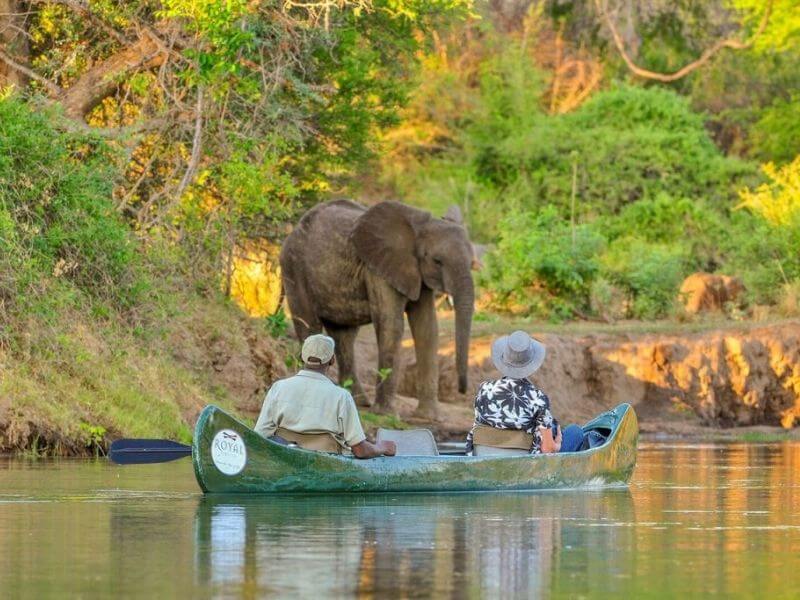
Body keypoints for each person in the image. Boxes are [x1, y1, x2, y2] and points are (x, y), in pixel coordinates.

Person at [255, 334, 396, 458]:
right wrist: (381, 447)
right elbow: (360, 450)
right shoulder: (342, 397)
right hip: (326, 465)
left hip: (286, 460)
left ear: (301, 357)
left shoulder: (278, 388)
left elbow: (259, 436)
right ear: (332, 360)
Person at [465, 330, 585, 455]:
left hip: (482, 458)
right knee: (575, 432)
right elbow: (547, 449)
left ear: (503, 359)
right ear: (531, 364)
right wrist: (557, 444)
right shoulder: (538, 398)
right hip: (524, 466)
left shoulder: (484, 389)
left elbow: (481, 425)